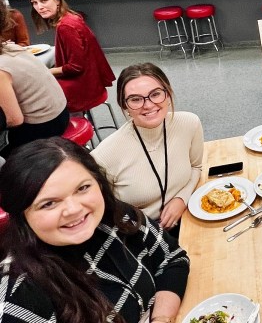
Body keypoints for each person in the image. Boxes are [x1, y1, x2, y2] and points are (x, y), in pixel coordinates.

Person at [0, 137, 190, 322]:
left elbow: (171, 258)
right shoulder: (18, 296)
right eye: (49, 203)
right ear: (21, 214)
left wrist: (162, 317)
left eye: (82, 188)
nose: (74, 210)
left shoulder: (115, 216)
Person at [91, 63, 203, 233]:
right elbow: (100, 214)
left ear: (167, 94)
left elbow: (196, 167)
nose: (149, 105)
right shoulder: (104, 156)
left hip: (187, 216)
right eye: (135, 99)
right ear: (124, 106)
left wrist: (181, 199)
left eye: (155, 94)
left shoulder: (189, 123)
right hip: (138, 237)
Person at [29, 0, 115, 113]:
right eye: (34, 3)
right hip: (92, 81)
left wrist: (45, 72)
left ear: (57, 0)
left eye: (43, 1)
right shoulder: (71, 17)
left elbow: (75, 67)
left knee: (33, 97)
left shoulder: (66, 27)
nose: (39, 7)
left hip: (83, 88)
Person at [0, 0, 68, 157]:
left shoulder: (1, 69)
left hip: (44, 128)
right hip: (61, 114)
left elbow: (14, 120)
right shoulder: (11, 47)